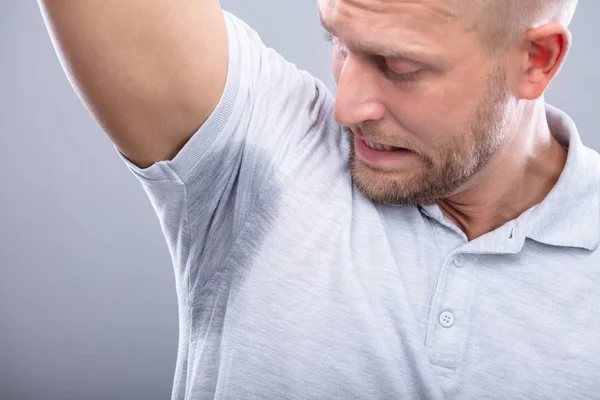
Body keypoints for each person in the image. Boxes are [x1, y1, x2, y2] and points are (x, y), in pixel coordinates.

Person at [38, 0, 600, 398]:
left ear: (537, 61)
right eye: (338, 42)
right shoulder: (265, 147)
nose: (347, 107)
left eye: (400, 67)